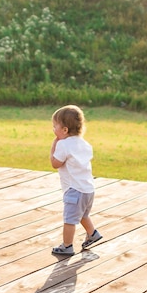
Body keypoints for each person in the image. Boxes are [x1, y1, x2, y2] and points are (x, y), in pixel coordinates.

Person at [50, 105, 102, 256]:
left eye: (55, 127)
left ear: (64, 130)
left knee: (69, 219)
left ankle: (67, 246)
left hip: (74, 190)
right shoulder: (85, 144)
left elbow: (55, 163)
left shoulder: (63, 144)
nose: (53, 130)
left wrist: (53, 147)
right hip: (88, 189)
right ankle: (92, 234)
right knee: (83, 215)